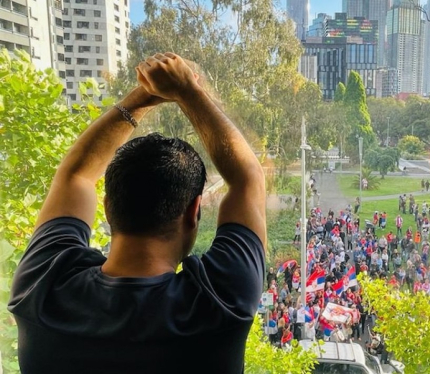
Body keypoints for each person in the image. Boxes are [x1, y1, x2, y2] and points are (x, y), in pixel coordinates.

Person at [7, 53, 266, 374]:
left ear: (106, 206)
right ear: (193, 212)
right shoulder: (221, 306)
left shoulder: (42, 290)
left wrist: (143, 98)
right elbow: (248, 180)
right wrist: (189, 92)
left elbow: (75, 175)